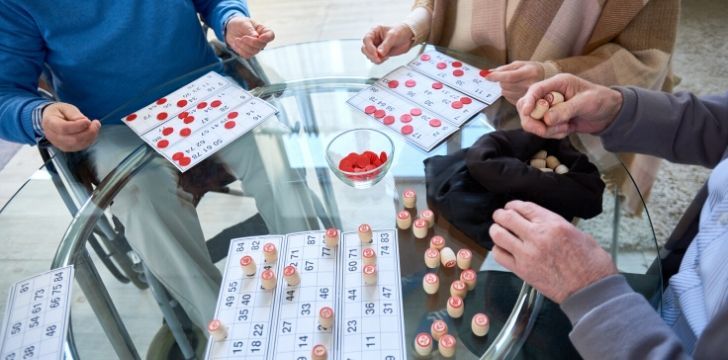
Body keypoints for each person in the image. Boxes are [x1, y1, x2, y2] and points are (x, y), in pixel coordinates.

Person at [0, 0, 318, 331]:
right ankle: (224, 330)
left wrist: (229, 19)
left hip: (202, 92)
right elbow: (6, 92)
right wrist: (39, 115)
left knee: (272, 153)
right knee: (143, 202)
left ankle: (315, 275)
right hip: (109, 123)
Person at [488, 73, 728, 357]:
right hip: (678, 283)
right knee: (496, 299)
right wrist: (619, 109)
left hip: (657, 337)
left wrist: (593, 293)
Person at [361, 0, 680, 214]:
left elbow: (645, 57)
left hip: (553, 121)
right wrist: (411, 27)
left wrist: (552, 76)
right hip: (452, 92)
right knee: (425, 204)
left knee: (521, 230)